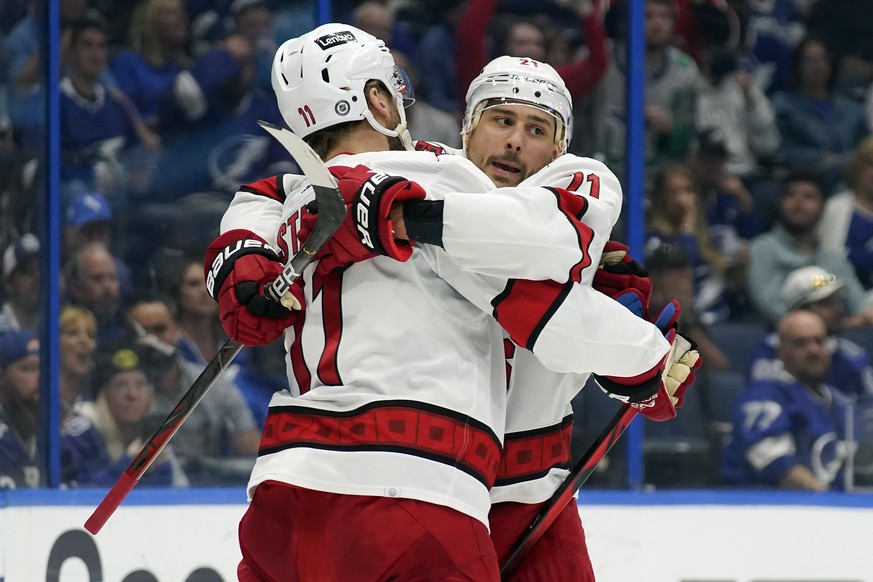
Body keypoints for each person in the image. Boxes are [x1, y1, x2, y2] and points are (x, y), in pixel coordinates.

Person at [209, 24, 696, 580]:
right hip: (426, 484)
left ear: (560, 148)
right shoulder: (434, 176)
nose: (515, 140)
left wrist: (398, 218)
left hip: (521, 497)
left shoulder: (573, 184)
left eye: (537, 129)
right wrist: (241, 257)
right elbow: (275, 194)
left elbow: (547, 240)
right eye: (501, 120)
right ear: (466, 131)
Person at [125, 293, 260, 485]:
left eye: (160, 329)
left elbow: (254, 457)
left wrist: (203, 467)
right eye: (143, 333)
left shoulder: (213, 385)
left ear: (178, 329)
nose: (152, 341)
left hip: (202, 494)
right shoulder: (120, 391)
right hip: (136, 494)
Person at [723, 310, 857, 491]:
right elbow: (779, 467)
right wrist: (830, 499)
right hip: (766, 509)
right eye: (801, 343)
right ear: (780, 351)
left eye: (819, 341)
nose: (814, 350)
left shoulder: (839, 402)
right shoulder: (762, 396)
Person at [746, 171, 873, 326]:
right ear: (780, 203)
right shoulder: (762, 249)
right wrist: (829, 325)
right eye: (790, 195)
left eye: (809, 197)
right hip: (779, 340)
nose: (798, 203)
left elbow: (859, 304)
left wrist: (864, 317)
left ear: (823, 206)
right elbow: (771, 307)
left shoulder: (832, 258)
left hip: (833, 340)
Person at [748, 265, 873, 404]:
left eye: (837, 301)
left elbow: (868, 410)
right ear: (799, 311)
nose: (838, 310)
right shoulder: (768, 353)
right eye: (826, 304)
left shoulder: (853, 356)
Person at [817, 136, 873, 290]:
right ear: (858, 169)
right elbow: (824, 273)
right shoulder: (835, 208)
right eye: (872, 165)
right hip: (840, 296)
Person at [63, 240, 126, 344]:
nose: (107, 287)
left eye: (112, 277)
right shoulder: (61, 327)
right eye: (97, 278)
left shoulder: (124, 326)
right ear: (76, 287)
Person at [0, 330, 40, 488]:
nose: (41, 377)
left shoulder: (59, 434)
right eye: (29, 368)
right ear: (1, 377)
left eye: (47, 369)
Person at [0, 233, 40, 333]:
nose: (37, 277)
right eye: (27, 270)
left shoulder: (58, 325)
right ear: (9, 284)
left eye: (42, 270)